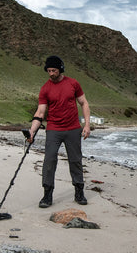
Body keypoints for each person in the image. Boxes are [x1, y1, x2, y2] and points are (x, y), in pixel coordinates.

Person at [27, 56, 91, 208]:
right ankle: (47, 194)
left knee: (75, 161)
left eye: (54, 70)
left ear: (60, 69)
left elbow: (83, 103)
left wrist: (87, 125)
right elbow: (40, 112)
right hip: (53, 129)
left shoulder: (73, 83)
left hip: (73, 128)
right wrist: (31, 131)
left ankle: (79, 192)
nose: (51, 74)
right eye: (49, 71)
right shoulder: (45, 88)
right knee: (49, 160)